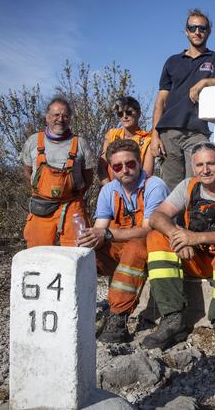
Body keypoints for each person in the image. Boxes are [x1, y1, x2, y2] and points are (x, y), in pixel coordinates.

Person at [143, 141, 215, 373]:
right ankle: (173, 318)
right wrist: (177, 235)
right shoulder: (188, 186)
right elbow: (157, 216)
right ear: (193, 168)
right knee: (156, 237)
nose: (205, 170)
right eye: (199, 165)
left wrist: (195, 238)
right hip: (196, 260)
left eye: (210, 164)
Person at [77, 139, 169, 343]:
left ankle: (118, 317)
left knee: (135, 247)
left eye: (130, 164)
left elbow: (147, 231)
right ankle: (76, 313)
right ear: (111, 168)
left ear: (139, 162)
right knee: (83, 255)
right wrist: (90, 240)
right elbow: (101, 229)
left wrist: (107, 234)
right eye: (118, 166)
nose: (124, 170)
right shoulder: (108, 191)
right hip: (123, 249)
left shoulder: (154, 186)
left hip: (153, 249)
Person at [150, 8, 215, 191]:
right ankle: (176, 221)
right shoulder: (172, 61)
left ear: (208, 31)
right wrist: (154, 136)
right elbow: (160, 101)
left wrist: (207, 81)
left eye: (202, 28)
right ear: (186, 31)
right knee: (172, 190)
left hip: (197, 132)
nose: (197, 32)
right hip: (167, 133)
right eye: (192, 28)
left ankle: (194, 221)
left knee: (197, 186)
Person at [21, 97, 96, 248]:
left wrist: (70, 194)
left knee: (77, 251)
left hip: (72, 205)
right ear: (47, 117)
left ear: (70, 119)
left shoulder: (80, 143)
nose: (60, 119)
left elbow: (88, 177)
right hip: (41, 205)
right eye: (56, 115)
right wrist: (43, 192)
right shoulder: (33, 141)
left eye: (65, 115)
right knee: (37, 251)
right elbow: (27, 172)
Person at [98, 96, 154, 185]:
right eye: (120, 114)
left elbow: (147, 174)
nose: (125, 116)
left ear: (139, 113)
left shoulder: (148, 140)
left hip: (136, 190)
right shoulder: (111, 135)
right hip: (110, 189)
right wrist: (109, 189)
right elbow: (101, 168)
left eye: (129, 112)